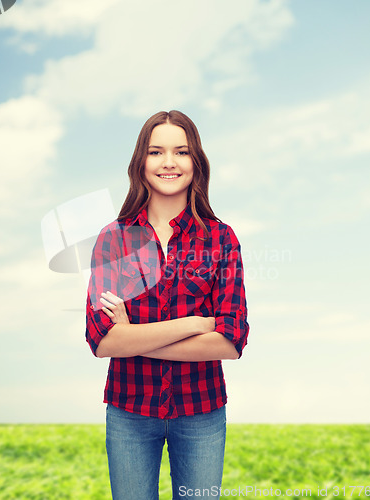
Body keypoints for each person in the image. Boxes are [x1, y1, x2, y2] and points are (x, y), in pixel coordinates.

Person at [85, 110, 249, 500]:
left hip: (201, 411)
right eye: (157, 152)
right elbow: (102, 341)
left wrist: (133, 337)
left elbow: (230, 342)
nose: (169, 162)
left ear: (197, 163)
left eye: (182, 151)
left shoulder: (220, 239)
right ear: (141, 162)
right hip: (129, 410)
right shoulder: (115, 240)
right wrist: (196, 323)